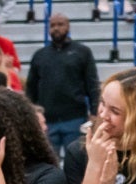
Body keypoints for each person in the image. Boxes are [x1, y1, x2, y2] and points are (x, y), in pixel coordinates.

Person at [27, 13, 101, 155]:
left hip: (75, 118)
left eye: (60, 24)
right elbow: (31, 89)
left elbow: (92, 85)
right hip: (47, 122)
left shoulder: (82, 52)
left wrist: (94, 112)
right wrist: (32, 113)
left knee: (75, 162)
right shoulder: (39, 55)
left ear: (68, 27)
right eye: (52, 25)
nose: (56, 28)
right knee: (49, 164)